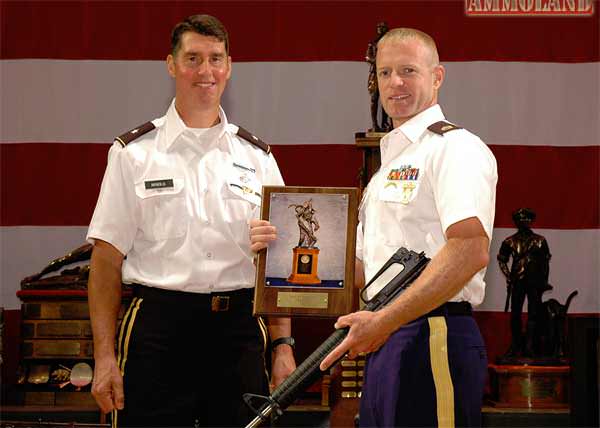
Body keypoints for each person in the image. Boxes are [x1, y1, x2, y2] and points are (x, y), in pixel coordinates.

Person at [87, 14, 295, 428]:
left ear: (230, 67)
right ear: (171, 65)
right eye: (193, 59)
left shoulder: (257, 158)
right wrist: (104, 357)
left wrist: (283, 346)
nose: (206, 72)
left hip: (238, 330)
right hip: (159, 330)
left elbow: (278, 263)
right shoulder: (133, 154)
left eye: (216, 59)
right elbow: (106, 262)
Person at [319, 28, 498, 427]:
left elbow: (469, 248)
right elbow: (364, 272)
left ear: (437, 76)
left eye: (408, 71)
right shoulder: (388, 167)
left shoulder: (455, 148)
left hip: (431, 334)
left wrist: (384, 321)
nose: (395, 83)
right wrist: (284, 253)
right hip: (386, 338)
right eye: (385, 73)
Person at [498, 207, 551, 358]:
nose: (523, 222)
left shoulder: (540, 241)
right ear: (516, 222)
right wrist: (508, 275)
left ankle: (530, 346)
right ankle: (516, 345)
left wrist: (544, 282)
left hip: (535, 282)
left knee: (533, 314)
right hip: (518, 282)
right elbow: (502, 260)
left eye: (526, 220)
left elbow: (545, 263)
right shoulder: (509, 241)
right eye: (520, 220)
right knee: (515, 314)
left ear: (530, 221)